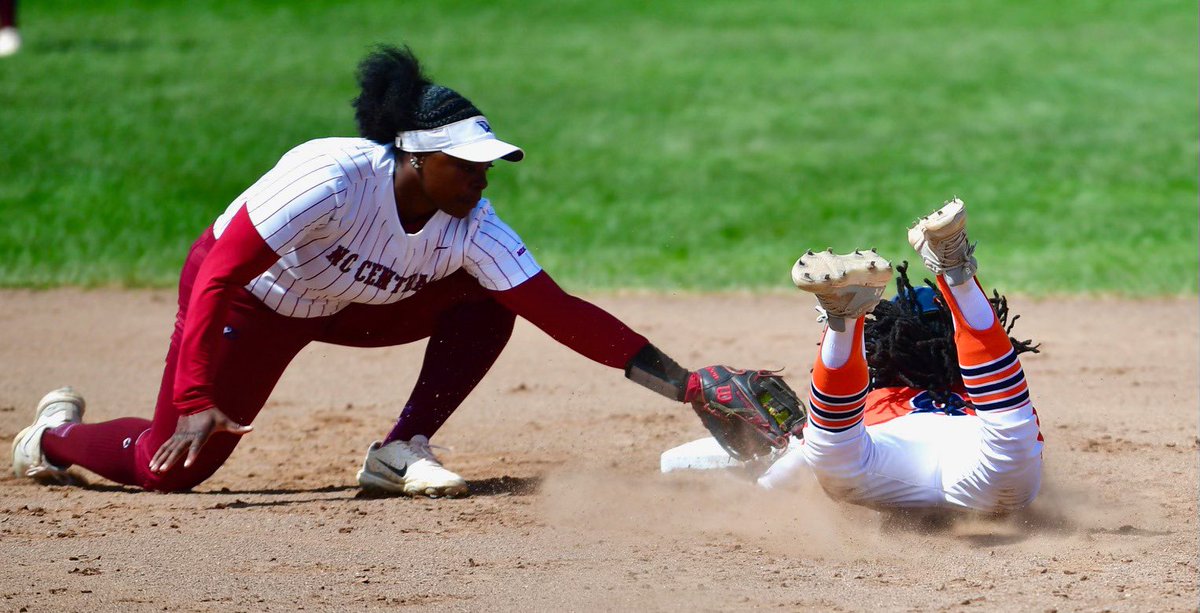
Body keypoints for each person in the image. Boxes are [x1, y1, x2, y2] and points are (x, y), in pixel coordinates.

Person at [11, 45, 708, 498]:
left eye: (486, 166)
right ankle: (49, 436)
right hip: (254, 302)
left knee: (497, 296)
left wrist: (690, 387)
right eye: (465, 165)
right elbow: (219, 272)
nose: (480, 179)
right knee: (167, 467)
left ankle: (401, 447)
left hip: (347, 306)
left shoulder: (473, 224)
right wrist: (195, 393)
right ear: (413, 157)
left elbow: (560, 310)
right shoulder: (334, 177)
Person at [758, 198, 1044, 513]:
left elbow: (805, 458)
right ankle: (957, 275)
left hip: (888, 459)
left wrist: (766, 484)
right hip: (981, 463)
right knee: (1012, 433)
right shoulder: (977, 395)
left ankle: (844, 321)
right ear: (955, 346)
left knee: (831, 454)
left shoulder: (874, 398)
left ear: (886, 342)